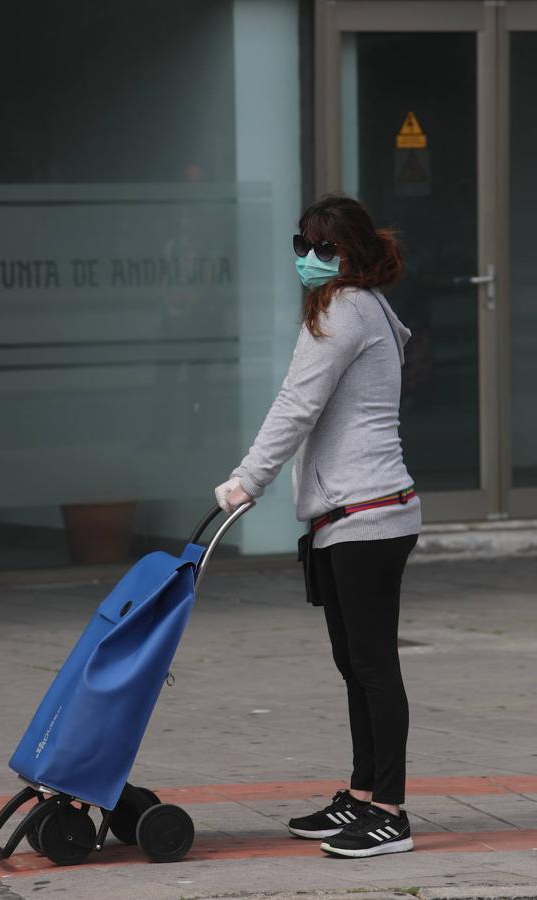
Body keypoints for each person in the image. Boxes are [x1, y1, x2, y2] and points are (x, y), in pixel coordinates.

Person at [214, 193, 421, 859]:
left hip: (367, 516)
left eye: (323, 248)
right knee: (354, 664)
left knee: (371, 664)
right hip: (352, 516)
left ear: (352, 252)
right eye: (300, 245)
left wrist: (249, 480)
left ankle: (389, 811)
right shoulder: (365, 308)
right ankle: (362, 795)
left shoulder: (344, 309)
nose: (308, 259)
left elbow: (295, 404)